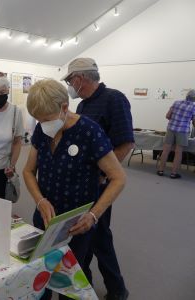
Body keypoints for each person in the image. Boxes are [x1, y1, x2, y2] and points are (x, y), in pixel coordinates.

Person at [23, 79, 126, 300]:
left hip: (76, 224)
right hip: (45, 219)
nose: (42, 124)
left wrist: (93, 215)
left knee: (69, 282)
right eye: (38, 120)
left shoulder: (90, 132)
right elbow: (28, 172)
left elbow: (118, 178)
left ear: (64, 107)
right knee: (40, 276)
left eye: (47, 119)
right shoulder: (42, 131)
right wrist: (40, 200)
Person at [62, 57, 134, 300]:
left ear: (80, 79)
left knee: (100, 237)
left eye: (70, 80)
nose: (70, 85)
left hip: (102, 184)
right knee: (86, 236)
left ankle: (117, 290)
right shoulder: (82, 106)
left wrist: (105, 175)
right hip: (83, 184)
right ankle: (88, 282)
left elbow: (126, 143)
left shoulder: (114, 99)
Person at [157, 89, 195, 178]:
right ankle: (173, 173)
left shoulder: (176, 102)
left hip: (171, 128)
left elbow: (167, 116)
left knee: (166, 150)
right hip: (183, 131)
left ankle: (160, 170)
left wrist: (176, 120)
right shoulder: (194, 106)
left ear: (187, 96)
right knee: (178, 152)